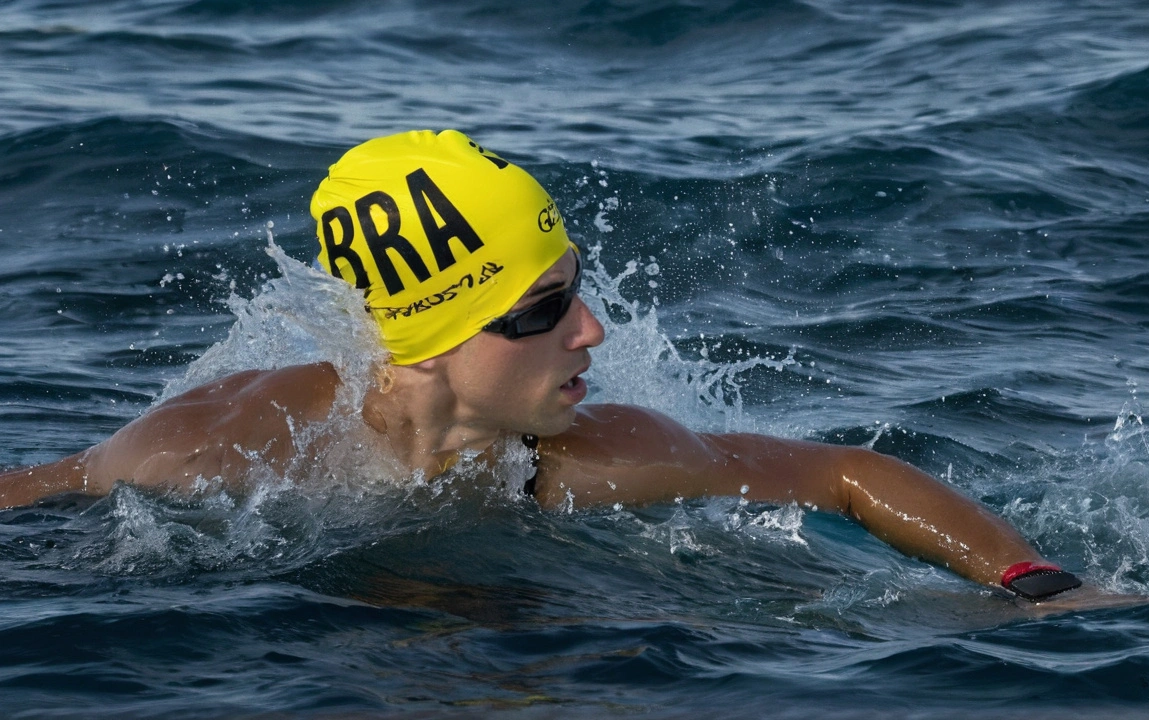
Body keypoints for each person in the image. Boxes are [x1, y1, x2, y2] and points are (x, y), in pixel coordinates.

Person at [1, 129, 1086, 604]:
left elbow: (843, 473)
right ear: (423, 339)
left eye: (579, 289)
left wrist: (1034, 584)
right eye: (544, 309)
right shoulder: (217, 453)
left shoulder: (577, 463)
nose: (593, 335)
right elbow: (40, 491)